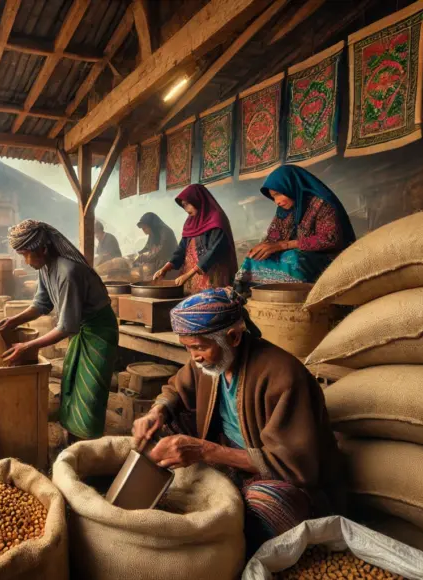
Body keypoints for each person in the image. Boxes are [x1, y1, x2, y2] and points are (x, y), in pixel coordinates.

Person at [132, 288, 344, 553]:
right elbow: (176, 389)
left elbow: (296, 465)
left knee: (268, 506)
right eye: (187, 348)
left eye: (198, 347)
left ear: (232, 337)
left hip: (281, 474)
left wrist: (204, 450)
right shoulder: (210, 363)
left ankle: (237, 553)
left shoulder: (285, 377)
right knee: (160, 430)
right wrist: (156, 412)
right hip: (229, 451)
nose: (194, 357)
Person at [0, 220, 118, 441]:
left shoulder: (67, 271)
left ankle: (89, 447)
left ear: (43, 249)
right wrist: (13, 321)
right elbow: (41, 304)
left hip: (99, 330)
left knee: (90, 391)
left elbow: (66, 327)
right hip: (81, 329)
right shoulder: (45, 267)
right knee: (71, 383)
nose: (25, 262)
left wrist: (27, 346)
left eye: (26, 255)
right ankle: (74, 439)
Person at [235, 165, 356, 293]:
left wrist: (286, 244)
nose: (277, 201)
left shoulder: (322, 205)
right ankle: (245, 296)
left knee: (293, 258)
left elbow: (330, 239)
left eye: (278, 194)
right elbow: (274, 237)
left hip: (325, 258)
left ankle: (297, 296)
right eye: (273, 197)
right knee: (254, 258)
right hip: (294, 254)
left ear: (291, 186)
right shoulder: (284, 211)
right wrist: (264, 247)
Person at [153, 184, 239, 294]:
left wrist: (189, 274)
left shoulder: (216, 219)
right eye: (183, 205)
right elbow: (182, 248)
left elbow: (214, 251)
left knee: (210, 305)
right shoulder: (190, 222)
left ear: (197, 200)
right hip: (192, 276)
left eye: (188, 204)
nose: (186, 209)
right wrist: (165, 268)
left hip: (212, 275)